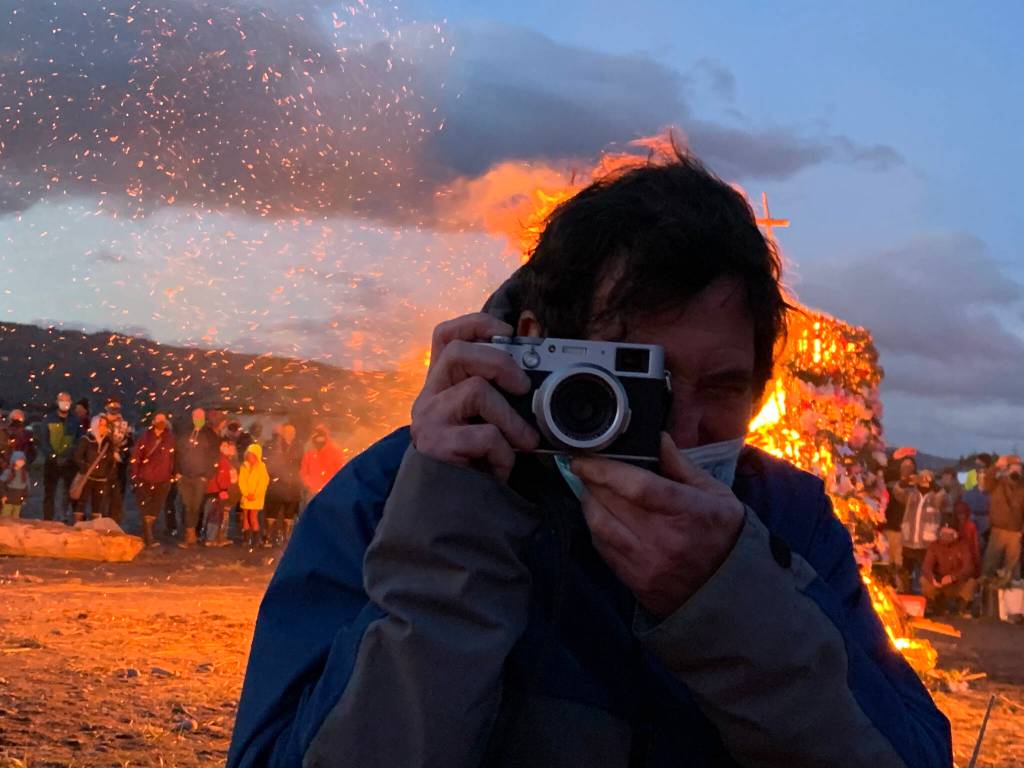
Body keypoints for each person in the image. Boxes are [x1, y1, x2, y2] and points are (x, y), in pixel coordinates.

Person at [229, 153, 950, 767]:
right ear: (541, 341)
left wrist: (730, 601)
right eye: (643, 384)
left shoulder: (785, 515)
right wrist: (456, 537)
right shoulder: (399, 492)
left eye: (726, 389)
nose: (686, 432)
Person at [175, 407, 220, 548]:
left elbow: (214, 457)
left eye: (200, 417)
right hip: (184, 476)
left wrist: (207, 475)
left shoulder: (209, 435)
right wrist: (177, 471)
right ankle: (190, 535)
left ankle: (193, 533)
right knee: (188, 505)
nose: (198, 419)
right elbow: (177, 453)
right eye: (196, 417)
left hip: (200, 477)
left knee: (196, 505)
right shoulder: (186, 433)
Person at [130, 413, 176, 547]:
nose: (161, 422)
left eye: (163, 419)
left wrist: (173, 473)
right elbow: (136, 456)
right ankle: (148, 536)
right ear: (153, 421)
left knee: (156, 507)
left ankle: (147, 533)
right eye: (159, 420)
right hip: (145, 477)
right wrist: (135, 475)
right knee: (145, 507)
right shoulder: (145, 437)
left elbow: (174, 456)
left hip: (163, 478)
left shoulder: (170, 438)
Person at [37, 392, 84, 522]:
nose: (65, 403)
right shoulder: (48, 420)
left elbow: (79, 440)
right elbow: (43, 440)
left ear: (71, 402)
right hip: (52, 462)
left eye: (67, 400)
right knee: (49, 492)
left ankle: (73, 519)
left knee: (72, 491)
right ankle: (48, 519)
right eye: (62, 400)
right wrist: (52, 456)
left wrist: (69, 455)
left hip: (69, 462)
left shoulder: (75, 421)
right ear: (57, 402)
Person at [980, 454, 1024, 582]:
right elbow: (987, 480)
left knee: (1012, 570)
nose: (1015, 470)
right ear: (1007, 469)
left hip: (1015, 533)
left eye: (1018, 468)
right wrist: (996, 466)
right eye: (1013, 467)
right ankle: (986, 596)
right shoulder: (997, 484)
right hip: (997, 531)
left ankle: (1012, 598)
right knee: (989, 567)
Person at [921, 518, 976, 618]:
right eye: (944, 532)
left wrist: (953, 577)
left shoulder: (963, 545)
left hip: (957, 583)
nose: (946, 535)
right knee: (924, 580)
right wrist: (932, 579)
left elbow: (969, 568)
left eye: (949, 532)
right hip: (940, 583)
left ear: (956, 533)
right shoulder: (934, 546)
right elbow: (926, 567)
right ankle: (934, 604)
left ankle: (963, 607)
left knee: (971, 582)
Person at [900, 469, 943, 591]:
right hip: (909, 540)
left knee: (927, 572)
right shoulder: (910, 494)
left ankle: (928, 597)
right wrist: (907, 481)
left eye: (927, 478)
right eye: (921, 477)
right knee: (905, 571)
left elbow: (945, 498)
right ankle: (906, 593)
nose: (923, 480)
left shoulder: (936, 496)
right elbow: (897, 491)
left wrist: (934, 485)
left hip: (927, 543)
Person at [264, 423, 303, 546]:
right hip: (277, 482)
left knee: (290, 512)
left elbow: (301, 463)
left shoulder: (298, 446)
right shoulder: (275, 445)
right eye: (287, 432)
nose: (290, 435)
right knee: (272, 510)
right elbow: (269, 461)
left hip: (292, 484)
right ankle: (268, 537)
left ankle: (287, 538)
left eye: (292, 432)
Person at [72, 415, 116, 522]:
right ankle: (78, 524)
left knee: (98, 503)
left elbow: (111, 460)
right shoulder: (87, 439)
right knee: (82, 500)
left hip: (101, 477)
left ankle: (96, 526)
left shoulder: (108, 442)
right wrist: (85, 467)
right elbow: (78, 456)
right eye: (100, 425)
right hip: (88, 476)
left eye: (105, 425)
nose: (103, 427)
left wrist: (108, 472)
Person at [884, 454, 917, 583]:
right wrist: (893, 456)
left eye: (910, 466)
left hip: (905, 528)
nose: (907, 468)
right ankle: (888, 585)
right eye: (904, 465)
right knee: (888, 560)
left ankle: (903, 588)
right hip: (889, 525)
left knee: (901, 562)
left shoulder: (916, 484)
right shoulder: (892, 480)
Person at [101, 397, 133, 526]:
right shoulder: (100, 423)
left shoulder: (125, 425)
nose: (114, 408)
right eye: (111, 406)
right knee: (102, 499)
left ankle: (114, 526)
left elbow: (130, 443)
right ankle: (102, 525)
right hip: (103, 466)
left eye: (116, 406)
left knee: (117, 499)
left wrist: (121, 450)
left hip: (119, 468)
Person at [205, 439, 240, 547]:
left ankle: (217, 537)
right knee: (215, 514)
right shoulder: (222, 460)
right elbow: (222, 476)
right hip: (219, 491)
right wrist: (223, 489)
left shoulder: (225, 459)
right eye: (225, 446)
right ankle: (212, 538)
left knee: (218, 514)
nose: (228, 448)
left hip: (220, 490)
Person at [299, 425, 345, 500]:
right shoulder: (309, 452)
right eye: (317, 436)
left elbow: (340, 470)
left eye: (322, 436)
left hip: (330, 490)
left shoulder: (335, 452)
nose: (319, 440)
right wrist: (310, 483)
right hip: (313, 491)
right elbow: (304, 470)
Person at [238, 443, 269, 551]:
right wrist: (246, 493)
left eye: (252, 455)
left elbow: (263, 483)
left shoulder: (261, 467)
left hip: (256, 497)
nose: (250, 457)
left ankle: (256, 539)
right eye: (249, 454)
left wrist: (255, 494)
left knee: (253, 517)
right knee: (246, 516)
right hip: (247, 496)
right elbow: (242, 481)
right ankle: (246, 539)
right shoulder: (244, 466)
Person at [961, 454, 992, 545]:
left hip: (985, 516)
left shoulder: (991, 477)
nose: (978, 468)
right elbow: (965, 493)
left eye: (981, 465)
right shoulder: (971, 475)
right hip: (970, 515)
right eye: (976, 465)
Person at [955, 500, 981, 582]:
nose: (961, 516)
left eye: (962, 513)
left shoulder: (971, 526)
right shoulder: (954, 525)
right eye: (959, 513)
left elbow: (975, 547)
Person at [0, 451, 30, 518]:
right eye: (19, 460)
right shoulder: (8, 472)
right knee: (5, 517)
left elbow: (27, 487)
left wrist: (24, 498)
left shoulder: (25, 474)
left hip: (18, 501)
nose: (21, 462)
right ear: (13, 461)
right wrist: (3, 495)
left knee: (16, 518)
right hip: (8, 501)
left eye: (22, 460)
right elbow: (1, 484)